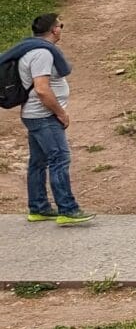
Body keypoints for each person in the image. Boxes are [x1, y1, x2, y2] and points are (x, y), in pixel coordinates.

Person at [11, 13, 88, 225]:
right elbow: (42, 89)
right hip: (44, 116)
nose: (61, 29)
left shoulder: (30, 50)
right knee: (59, 159)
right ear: (54, 30)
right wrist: (60, 113)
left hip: (34, 115)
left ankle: (39, 208)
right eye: (60, 25)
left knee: (38, 161)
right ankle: (68, 209)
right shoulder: (42, 54)